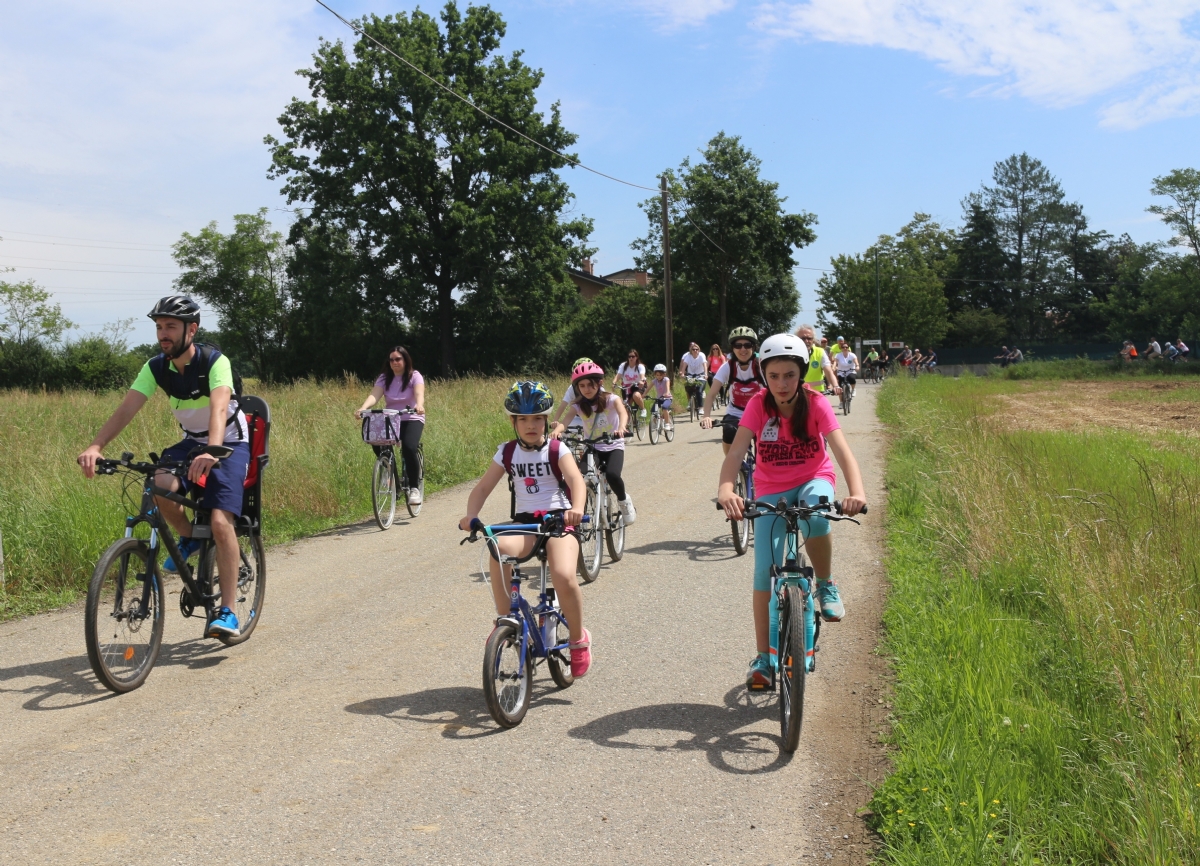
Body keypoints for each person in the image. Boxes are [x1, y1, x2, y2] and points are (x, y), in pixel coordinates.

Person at [76, 296, 251, 638]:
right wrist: (97, 446)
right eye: (159, 327)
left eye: (170, 326)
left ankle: (228, 611)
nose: (163, 334)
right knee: (158, 484)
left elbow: (218, 410)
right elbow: (126, 409)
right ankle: (189, 539)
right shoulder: (156, 367)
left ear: (192, 329)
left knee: (219, 520)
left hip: (228, 441)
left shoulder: (215, 361)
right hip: (191, 441)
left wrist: (212, 451)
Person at [716, 333, 867, 688]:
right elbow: (736, 452)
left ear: (801, 373)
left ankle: (826, 585)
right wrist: (725, 489)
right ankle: (764, 658)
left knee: (815, 515)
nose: (781, 384)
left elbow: (842, 451)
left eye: (789, 375)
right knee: (763, 573)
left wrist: (856, 493)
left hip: (814, 477)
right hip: (770, 488)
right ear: (763, 376)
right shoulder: (757, 405)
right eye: (773, 376)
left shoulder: (815, 403)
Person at [459, 381, 592, 677]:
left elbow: (576, 481)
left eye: (537, 418)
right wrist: (471, 514)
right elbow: (482, 488)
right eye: (523, 419)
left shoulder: (557, 449)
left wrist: (577, 508)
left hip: (559, 521)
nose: (530, 425)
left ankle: (578, 639)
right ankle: (506, 619)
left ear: (546, 419)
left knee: (563, 574)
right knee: (497, 548)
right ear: (513, 422)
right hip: (526, 523)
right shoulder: (506, 453)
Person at [553, 361, 636, 525]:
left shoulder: (612, 399)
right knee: (579, 478)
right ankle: (580, 512)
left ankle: (624, 501)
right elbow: (566, 421)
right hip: (592, 448)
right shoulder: (578, 405)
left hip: (613, 446)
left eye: (590, 385)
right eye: (582, 386)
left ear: (599, 383)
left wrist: (621, 427)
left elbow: (622, 413)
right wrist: (558, 430)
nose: (586, 389)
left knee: (612, 475)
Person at [355, 346, 426, 505]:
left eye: (398, 359)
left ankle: (414, 488)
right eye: (391, 359)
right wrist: (363, 408)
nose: (394, 362)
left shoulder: (414, 376)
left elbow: (419, 393)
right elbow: (374, 395)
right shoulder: (384, 378)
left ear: (405, 360)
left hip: (412, 417)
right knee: (376, 441)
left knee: (408, 447)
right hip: (392, 419)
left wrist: (419, 405)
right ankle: (391, 477)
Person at [701, 327, 765, 455]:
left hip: (761, 412)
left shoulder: (761, 366)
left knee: (764, 452)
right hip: (736, 412)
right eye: (738, 345)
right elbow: (712, 394)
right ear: (733, 348)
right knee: (729, 431)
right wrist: (706, 416)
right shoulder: (728, 367)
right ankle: (732, 466)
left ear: (753, 347)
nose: (743, 349)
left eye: (747, 345)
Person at [549, 357, 594, 437]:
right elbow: (563, 405)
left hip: (594, 418)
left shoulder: (599, 388)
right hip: (577, 418)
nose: (586, 388)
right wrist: (555, 421)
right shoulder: (572, 388)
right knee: (562, 434)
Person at [795, 325, 840, 395]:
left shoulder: (820, 352)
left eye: (809, 338)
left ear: (813, 340)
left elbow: (828, 371)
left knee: (825, 406)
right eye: (803, 338)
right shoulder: (791, 353)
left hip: (817, 394)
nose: (806, 341)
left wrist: (835, 386)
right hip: (797, 394)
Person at [614, 349, 647, 422]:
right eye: (629, 357)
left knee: (636, 395)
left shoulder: (640, 366)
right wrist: (614, 382)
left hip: (637, 385)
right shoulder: (624, 365)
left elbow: (642, 375)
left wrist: (641, 381)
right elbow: (618, 375)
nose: (631, 358)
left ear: (636, 357)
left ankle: (643, 409)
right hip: (626, 387)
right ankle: (628, 424)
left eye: (633, 356)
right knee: (625, 405)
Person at [678, 342, 708, 408]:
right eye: (693, 349)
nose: (695, 351)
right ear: (691, 350)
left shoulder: (701, 355)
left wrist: (706, 374)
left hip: (700, 375)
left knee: (699, 390)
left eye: (696, 349)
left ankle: (700, 407)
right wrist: (682, 373)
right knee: (688, 387)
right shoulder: (688, 356)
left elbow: (705, 365)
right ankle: (690, 401)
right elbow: (684, 365)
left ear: (699, 350)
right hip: (691, 375)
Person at [650, 364, 674, 431]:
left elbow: (667, 387)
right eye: (657, 375)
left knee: (664, 407)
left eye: (660, 375)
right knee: (653, 411)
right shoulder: (654, 381)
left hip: (667, 398)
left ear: (664, 374)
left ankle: (667, 424)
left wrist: (667, 393)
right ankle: (656, 424)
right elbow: (648, 389)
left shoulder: (666, 379)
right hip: (659, 399)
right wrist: (643, 395)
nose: (659, 377)